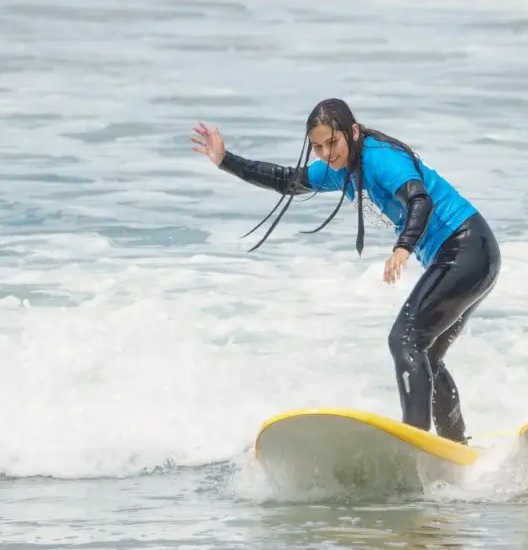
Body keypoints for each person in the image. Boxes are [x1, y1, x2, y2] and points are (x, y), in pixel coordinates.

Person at [191, 98, 501, 444]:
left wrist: (403, 247)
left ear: (353, 132)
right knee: (425, 354)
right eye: (318, 147)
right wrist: (224, 159)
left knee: (405, 339)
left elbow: (420, 199)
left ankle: (415, 442)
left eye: (332, 143)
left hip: (466, 248)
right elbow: (287, 180)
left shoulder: (379, 157)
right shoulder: (343, 169)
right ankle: (455, 448)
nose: (326, 153)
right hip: (475, 254)